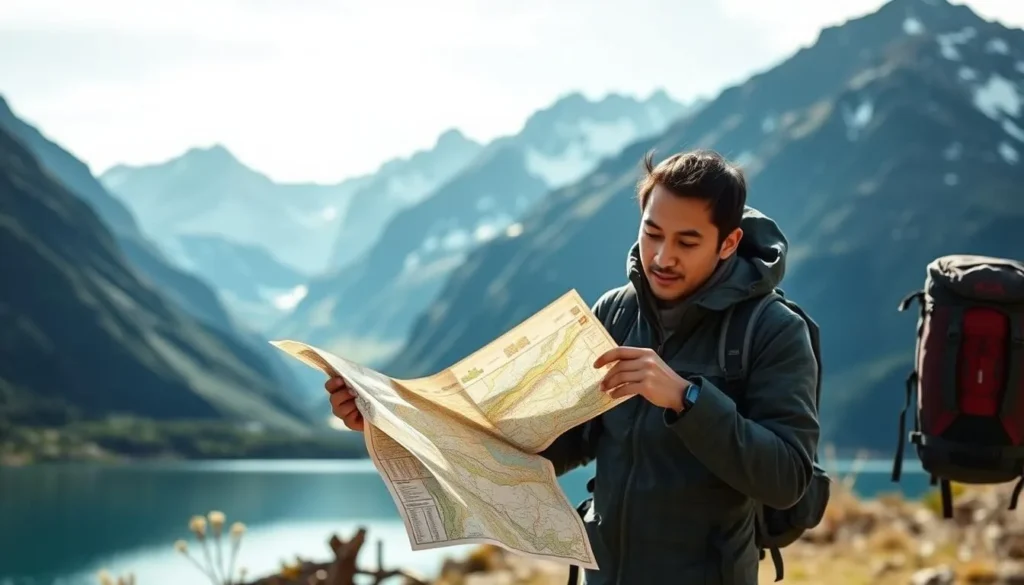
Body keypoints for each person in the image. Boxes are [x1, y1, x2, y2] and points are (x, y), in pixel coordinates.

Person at [325, 148, 821, 585]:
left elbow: (787, 479)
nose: (662, 257)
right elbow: (553, 444)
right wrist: (393, 425)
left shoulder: (772, 330)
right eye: (652, 234)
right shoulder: (614, 314)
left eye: (687, 243)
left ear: (728, 243)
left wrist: (686, 399)